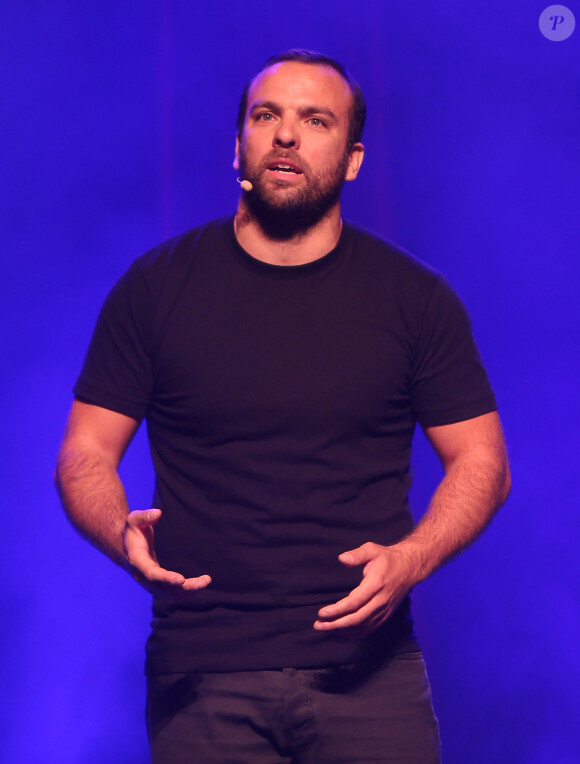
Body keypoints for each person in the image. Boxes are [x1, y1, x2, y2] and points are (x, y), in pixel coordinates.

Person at [55, 49, 510, 763]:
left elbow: (482, 462)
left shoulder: (414, 299)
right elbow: (84, 453)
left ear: (353, 158)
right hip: (202, 676)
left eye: (315, 119)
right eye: (266, 116)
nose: (287, 136)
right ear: (238, 144)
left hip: (372, 681)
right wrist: (120, 534)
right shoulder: (155, 288)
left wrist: (413, 558)